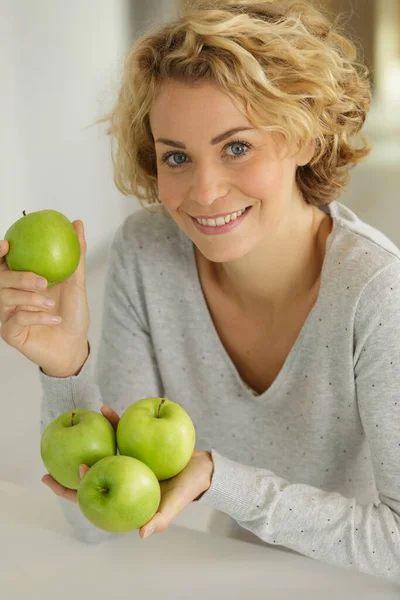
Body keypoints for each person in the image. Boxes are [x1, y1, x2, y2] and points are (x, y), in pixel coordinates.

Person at [0, 0, 399, 583]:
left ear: (305, 138)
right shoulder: (147, 255)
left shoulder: (377, 295)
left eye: (237, 146)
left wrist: (219, 477)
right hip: (230, 575)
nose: (205, 191)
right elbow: (99, 522)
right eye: (177, 157)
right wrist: (67, 369)